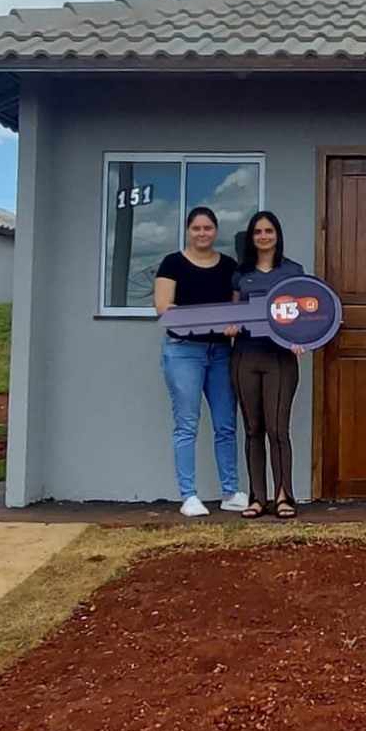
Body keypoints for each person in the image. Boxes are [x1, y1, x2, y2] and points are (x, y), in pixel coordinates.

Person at [155, 206, 248, 518]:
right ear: (188, 230)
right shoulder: (173, 263)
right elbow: (164, 308)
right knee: (187, 424)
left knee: (226, 424)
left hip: (220, 352)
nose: (202, 233)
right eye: (196, 228)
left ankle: (230, 492)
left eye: (207, 228)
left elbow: (235, 311)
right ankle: (189, 495)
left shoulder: (229, 266)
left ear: (215, 230)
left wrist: (233, 325)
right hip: (183, 352)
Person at [227, 210, 307, 519]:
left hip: (280, 358)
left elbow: (306, 312)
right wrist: (232, 327)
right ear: (251, 237)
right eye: (258, 231)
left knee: (277, 429)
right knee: (253, 429)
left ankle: (284, 496)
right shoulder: (241, 273)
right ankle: (257, 498)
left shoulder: (292, 271)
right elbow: (234, 312)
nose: (263, 236)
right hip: (245, 356)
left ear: (277, 235)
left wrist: (302, 338)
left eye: (268, 231)